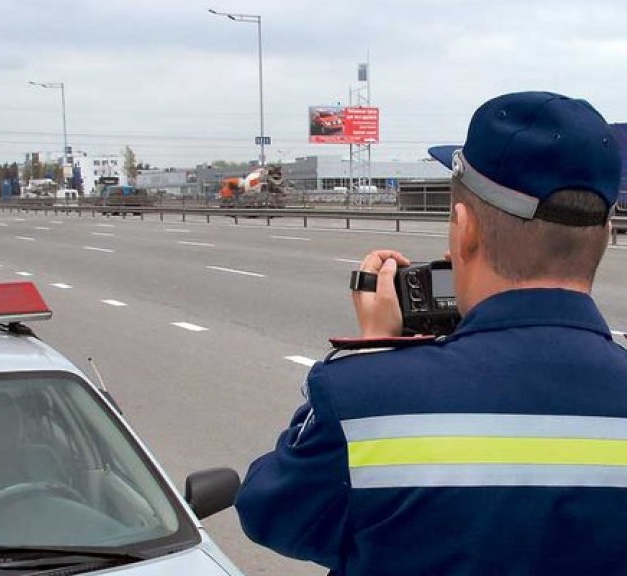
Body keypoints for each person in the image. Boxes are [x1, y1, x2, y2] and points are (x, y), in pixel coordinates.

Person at [235, 91, 627, 576]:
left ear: (464, 230)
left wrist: (374, 354)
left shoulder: (366, 399)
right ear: (607, 232)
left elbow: (269, 512)